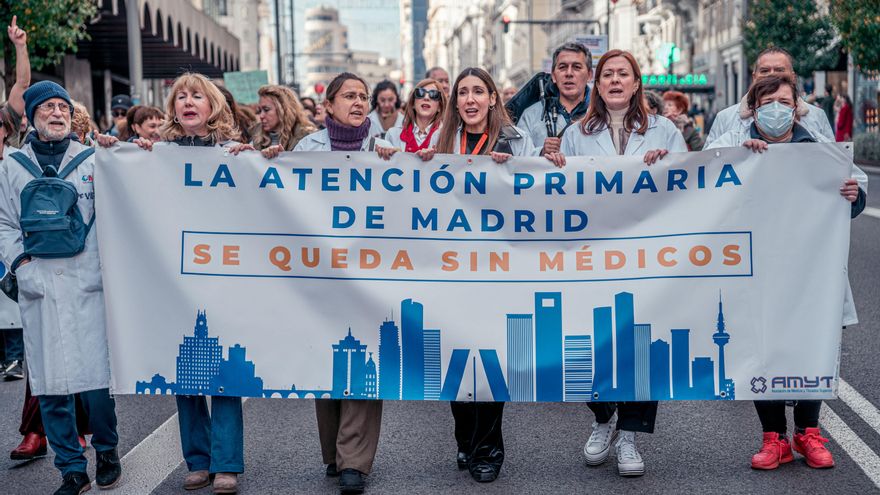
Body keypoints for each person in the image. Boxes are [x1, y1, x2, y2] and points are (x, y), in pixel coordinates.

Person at [705, 75, 866, 470]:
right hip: (758, 271)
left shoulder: (822, 150)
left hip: (810, 272)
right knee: (765, 349)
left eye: (783, 100)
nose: (776, 108)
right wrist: (737, 158)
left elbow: (852, 199)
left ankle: (808, 432)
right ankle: (773, 437)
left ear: (796, 107)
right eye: (767, 101)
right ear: (753, 108)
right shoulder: (733, 147)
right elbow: (701, 191)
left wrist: (853, 195)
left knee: (811, 343)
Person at [545, 50, 686, 477]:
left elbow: (689, 184)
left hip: (646, 255)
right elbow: (560, 191)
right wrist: (549, 163)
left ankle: (630, 434)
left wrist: (667, 166)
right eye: (608, 74)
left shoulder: (664, 130)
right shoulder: (576, 133)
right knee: (593, 339)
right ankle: (603, 417)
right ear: (597, 83)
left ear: (637, 82)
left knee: (641, 339)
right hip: (594, 255)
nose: (615, 81)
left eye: (623, 74)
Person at [0, 80, 122, 495]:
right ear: (32, 117)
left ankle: (107, 448)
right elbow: (4, 223)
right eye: (48, 107)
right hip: (40, 286)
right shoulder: (11, 165)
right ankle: (71, 469)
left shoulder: (95, 159)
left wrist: (131, 150)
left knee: (96, 384)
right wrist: (21, 265)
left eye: (63, 108)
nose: (57, 113)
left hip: (88, 283)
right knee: (50, 386)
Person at [133, 73, 244, 494]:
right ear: (174, 109)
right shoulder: (156, 154)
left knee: (227, 374)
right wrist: (124, 155)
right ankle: (198, 461)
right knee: (186, 372)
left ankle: (227, 464)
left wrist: (260, 159)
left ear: (212, 104)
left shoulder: (233, 155)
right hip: (175, 278)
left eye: (197, 95)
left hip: (222, 276)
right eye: (181, 97)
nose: (188, 102)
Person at [434, 67, 534, 484]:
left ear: (493, 99)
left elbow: (541, 192)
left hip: (499, 269)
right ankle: (466, 437)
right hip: (451, 269)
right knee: (457, 358)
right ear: (455, 102)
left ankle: (487, 451)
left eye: (479, 91)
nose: (471, 99)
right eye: (463, 93)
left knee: (491, 360)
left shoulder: (516, 141)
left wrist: (515, 170)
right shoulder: (439, 144)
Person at [294, 72, 389, 495]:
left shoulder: (388, 149)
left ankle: (355, 461)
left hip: (371, 275)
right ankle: (333, 454)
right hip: (321, 273)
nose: (358, 102)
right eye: (348, 96)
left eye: (363, 96)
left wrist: (412, 163)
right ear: (328, 105)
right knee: (328, 361)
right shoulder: (305, 150)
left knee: (365, 360)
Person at [704, 47, 834, 147]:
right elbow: (708, 166)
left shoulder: (816, 116)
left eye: (779, 70)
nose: (772, 75)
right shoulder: (726, 118)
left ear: (793, 77)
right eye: (765, 71)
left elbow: (833, 161)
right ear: (754, 77)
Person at [518, 42, 593, 156]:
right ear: (553, 75)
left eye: (576, 67)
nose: (569, 73)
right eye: (562, 67)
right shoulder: (531, 115)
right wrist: (541, 152)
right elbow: (517, 158)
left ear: (589, 75)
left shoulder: (602, 113)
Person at [376, 78, 446, 160]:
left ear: (440, 107)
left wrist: (437, 157)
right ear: (413, 103)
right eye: (420, 93)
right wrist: (393, 155)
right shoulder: (393, 135)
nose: (426, 98)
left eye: (434, 94)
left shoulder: (448, 137)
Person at [251, 85, 316, 157]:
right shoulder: (255, 133)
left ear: (283, 110)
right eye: (259, 111)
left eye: (266, 109)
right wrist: (244, 152)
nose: (261, 116)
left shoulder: (307, 137)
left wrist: (284, 158)